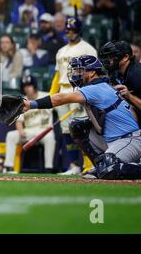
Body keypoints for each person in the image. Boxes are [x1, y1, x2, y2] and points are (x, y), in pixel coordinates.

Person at [20, 55, 141, 181]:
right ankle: (99, 167)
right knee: (77, 126)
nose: (76, 74)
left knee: (109, 169)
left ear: (91, 73)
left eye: (80, 70)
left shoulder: (95, 88)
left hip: (126, 139)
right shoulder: (102, 86)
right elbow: (123, 112)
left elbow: (59, 98)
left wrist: (31, 104)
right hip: (116, 139)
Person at [50, 17, 97, 175]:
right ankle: (74, 166)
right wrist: (51, 95)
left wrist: (84, 94)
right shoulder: (61, 51)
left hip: (78, 90)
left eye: (73, 30)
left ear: (79, 31)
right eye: (68, 30)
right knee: (65, 131)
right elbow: (57, 76)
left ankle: (89, 165)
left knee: (82, 129)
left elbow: (94, 73)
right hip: (63, 91)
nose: (70, 33)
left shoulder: (88, 49)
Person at [3, 75, 55, 173]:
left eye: (29, 85)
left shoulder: (46, 96)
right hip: (29, 130)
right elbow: (18, 120)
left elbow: (59, 103)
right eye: (25, 86)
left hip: (45, 130)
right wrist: (21, 131)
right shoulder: (22, 101)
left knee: (50, 138)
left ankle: (49, 168)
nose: (27, 88)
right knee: (11, 135)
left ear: (34, 86)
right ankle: (8, 167)